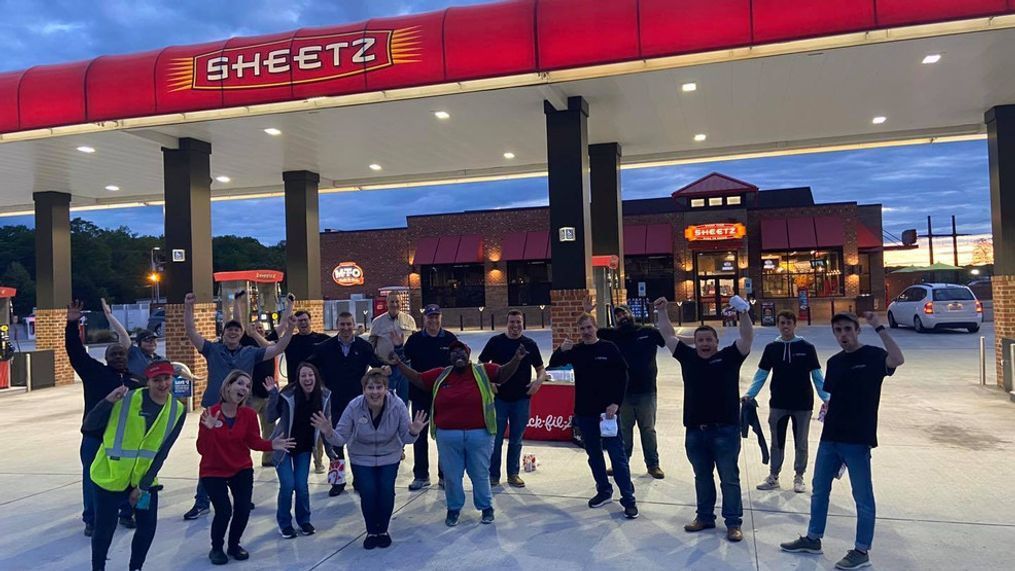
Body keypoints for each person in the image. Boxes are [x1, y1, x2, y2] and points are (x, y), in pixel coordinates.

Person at [780, 312, 905, 571]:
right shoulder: (834, 362)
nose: (843, 335)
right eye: (838, 330)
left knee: (862, 496)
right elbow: (833, 396)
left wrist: (878, 327)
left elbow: (898, 359)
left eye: (847, 329)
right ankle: (813, 539)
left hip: (858, 439)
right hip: (831, 438)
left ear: (857, 330)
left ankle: (861, 550)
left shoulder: (873, 356)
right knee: (819, 490)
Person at [182, 292, 295, 520]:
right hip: (214, 410)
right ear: (223, 334)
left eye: (236, 329)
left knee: (240, 452)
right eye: (229, 330)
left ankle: (241, 496)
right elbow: (192, 332)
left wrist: (290, 330)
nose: (233, 332)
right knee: (210, 456)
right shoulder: (212, 350)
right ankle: (202, 501)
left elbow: (278, 348)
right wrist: (188, 307)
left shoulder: (250, 353)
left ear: (241, 333)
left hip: (240, 410)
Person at [394, 340, 524, 527]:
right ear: (450, 357)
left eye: (461, 352)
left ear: (468, 354)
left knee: (479, 474)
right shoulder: (441, 374)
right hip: (448, 437)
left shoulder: (482, 371)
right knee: (452, 477)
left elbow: (502, 374)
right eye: (454, 353)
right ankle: (453, 509)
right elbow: (418, 378)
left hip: (479, 435)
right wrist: (399, 364)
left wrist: (516, 359)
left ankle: (486, 507)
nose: (458, 355)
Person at [655, 296, 753, 542]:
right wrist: (662, 311)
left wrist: (743, 313)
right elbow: (668, 336)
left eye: (709, 339)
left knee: (729, 478)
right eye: (700, 340)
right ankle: (705, 517)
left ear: (717, 342)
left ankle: (733, 523)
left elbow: (747, 338)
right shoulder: (688, 358)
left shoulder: (730, 357)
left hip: (726, 430)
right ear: (695, 343)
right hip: (695, 431)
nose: (705, 343)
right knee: (702, 476)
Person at [84, 360, 186, 571]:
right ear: (147, 382)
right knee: (104, 529)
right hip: (109, 478)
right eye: (156, 380)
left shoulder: (177, 409)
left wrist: (144, 486)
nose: (162, 384)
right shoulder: (125, 399)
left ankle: (136, 567)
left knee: (147, 527)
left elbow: (162, 452)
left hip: (143, 481)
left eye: (166, 378)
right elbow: (89, 426)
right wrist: (108, 401)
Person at [312, 368, 428, 549]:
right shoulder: (354, 406)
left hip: (389, 456)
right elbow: (340, 438)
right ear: (364, 390)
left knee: (386, 491)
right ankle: (371, 531)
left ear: (386, 389)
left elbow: (406, 438)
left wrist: (414, 431)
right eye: (370, 388)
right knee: (368, 492)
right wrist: (328, 432)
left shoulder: (397, 406)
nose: (375, 392)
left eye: (379, 387)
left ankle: (383, 530)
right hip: (361, 457)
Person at [197, 370, 295, 565]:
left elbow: (253, 441)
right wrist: (208, 430)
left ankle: (234, 545)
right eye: (240, 383)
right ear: (228, 386)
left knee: (242, 509)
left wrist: (271, 445)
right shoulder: (211, 413)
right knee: (224, 511)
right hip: (213, 470)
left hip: (240, 468)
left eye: (247, 386)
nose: (244, 388)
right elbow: (202, 450)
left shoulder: (248, 414)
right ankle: (216, 548)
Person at [549, 313, 639, 520]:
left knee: (617, 456)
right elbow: (553, 365)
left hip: (607, 413)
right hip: (585, 412)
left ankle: (628, 499)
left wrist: (616, 402)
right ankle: (604, 490)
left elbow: (622, 376)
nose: (586, 332)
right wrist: (560, 350)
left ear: (595, 327)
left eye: (589, 327)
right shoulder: (576, 351)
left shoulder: (609, 348)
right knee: (594, 455)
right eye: (582, 329)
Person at [66, 299, 144, 536]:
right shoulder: (95, 373)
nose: (119, 356)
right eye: (114, 353)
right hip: (95, 437)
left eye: (122, 353)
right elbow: (76, 353)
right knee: (91, 480)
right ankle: (92, 519)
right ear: (107, 357)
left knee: (128, 478)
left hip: (124, 441)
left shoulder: (136, 382)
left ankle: (125, 512)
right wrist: (71, 323)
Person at [744, 310, 829, 493]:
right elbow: (761, 374)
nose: (785, 326)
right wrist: (750, 394)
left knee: (801, 442)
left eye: (789, 323)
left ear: (794, 324)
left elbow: (817, 376)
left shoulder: (807, 347)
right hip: (778, 403)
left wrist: (827, 398)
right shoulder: (771, 348)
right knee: (776, 442)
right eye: (782, 323)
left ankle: (799, 476)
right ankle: (773, 476)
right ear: (778, 325)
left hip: (803, 404)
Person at [582, 295, 666, 479]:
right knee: (624, 432)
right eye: (618, 315)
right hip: (623, 395)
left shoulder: (648, 332)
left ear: (631, 314)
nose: (622, 317)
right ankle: (621, 463)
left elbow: (669, 338)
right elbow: (589, 333)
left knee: (648, 430)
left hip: (646, 392)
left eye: (624, 313)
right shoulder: (612, 335)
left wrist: (663, 313)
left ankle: (653, 465)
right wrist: (587, 312)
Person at [306, 311, 378, 495]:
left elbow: (376, 364)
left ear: (354, 325)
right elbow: (309, 366)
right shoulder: (324, 348)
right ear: (337, 325)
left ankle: (360, 480)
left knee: (359, 443)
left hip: (358, 403)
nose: (346, 328)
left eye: (349, 324)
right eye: (342, 324)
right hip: (334, 402)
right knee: (334, 443)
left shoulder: (364, 347)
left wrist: (386, 367)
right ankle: (337, 482)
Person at [264, 362, 334, 539]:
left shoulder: (324, 396)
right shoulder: (288, 394)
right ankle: (285, 523)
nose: (307, 378)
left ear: (316, 377)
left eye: (310, 375)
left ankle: (304, 521)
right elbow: (271, 416)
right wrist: (273, 394)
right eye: (303, 375)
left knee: (301, 486)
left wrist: (330, 451)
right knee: (288, 485)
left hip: (304, 447)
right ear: (298, 378)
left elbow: (326, 425)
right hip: (283, 446)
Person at [478, 309, 546, 488]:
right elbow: (480, 366)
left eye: (518, 322)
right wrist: (489, 383)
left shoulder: (529, 344)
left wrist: (538, 383)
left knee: (516, 440)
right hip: (499, 400)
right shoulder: (496, 342)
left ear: (523, 324)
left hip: (522, 399)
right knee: (496, 440)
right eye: (512, 322)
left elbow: (541, 368)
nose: (515, 326)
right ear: (507, 323)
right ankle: (493, 475)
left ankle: (513, 474)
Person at [402, 304, 457, 490]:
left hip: (444, 398)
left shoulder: (450, 339)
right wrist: (395, 347)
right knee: (419, 436)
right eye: (429, 317)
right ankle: (421, 475)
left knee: (444, 437)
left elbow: (458, 366)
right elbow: (403, 361)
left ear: (440, 318)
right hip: (420, 396)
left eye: (436, 317)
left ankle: (444, 475)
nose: (433, 320)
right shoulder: (415, 340)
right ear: (424, 319)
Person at [274, 303, 330, 473]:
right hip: (294, 392)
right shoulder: (290, 341)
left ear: (310, 321)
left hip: (316, 391)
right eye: (300, 321)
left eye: (305, 320)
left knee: (318, 425)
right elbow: (271, 343)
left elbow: (339, 342)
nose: (303, 323)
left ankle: (318, 460)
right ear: (296, 324)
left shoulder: (322, 339)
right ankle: (290, 454)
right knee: (294, 424)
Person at [103, 298, 163, 378]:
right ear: (139, 343)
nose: (151, 342)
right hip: (135, 388)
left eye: (153, 339)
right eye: (147, 340)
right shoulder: (134, 353)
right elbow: (122, 334)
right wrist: (109, 315)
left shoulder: (161, 359)